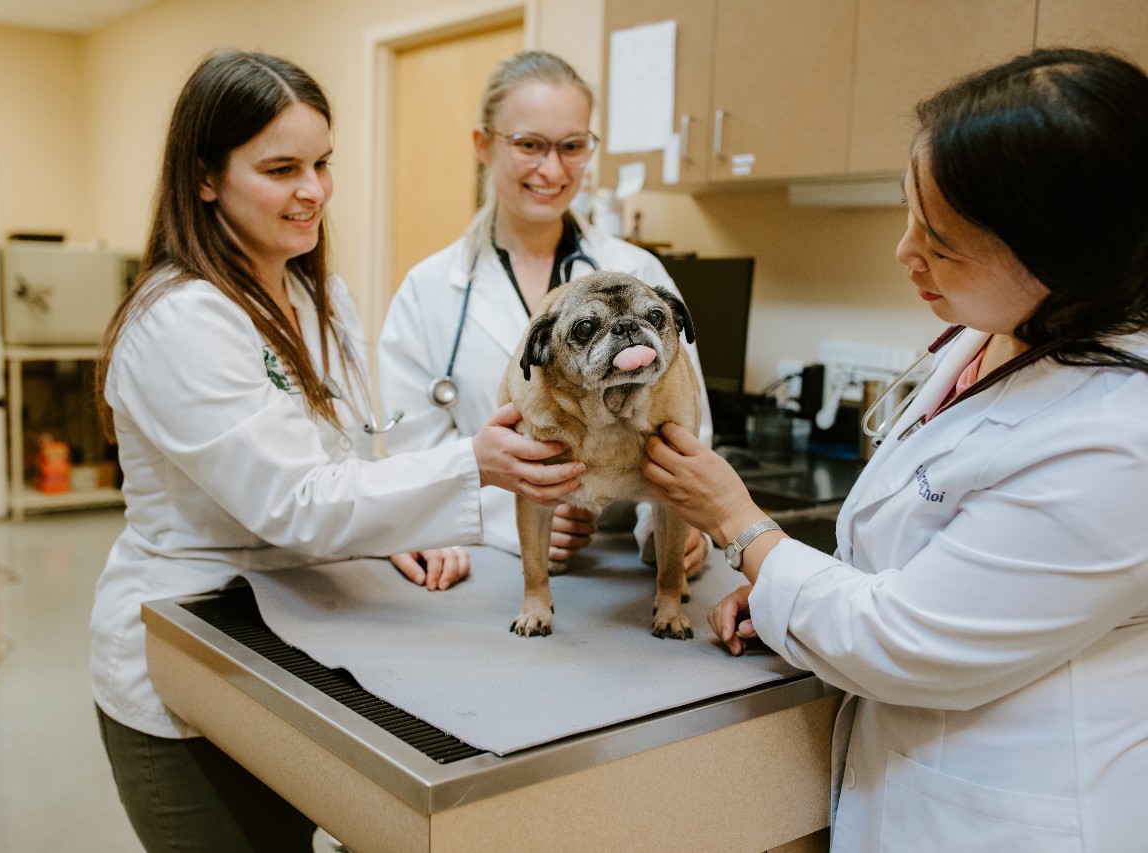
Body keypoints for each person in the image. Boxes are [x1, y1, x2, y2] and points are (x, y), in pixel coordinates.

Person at [645, 46, 1148, 850]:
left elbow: (902, 639)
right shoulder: (988, 339)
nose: (905, 252)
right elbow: (923, 569)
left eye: (942, 241)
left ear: (1063, 256)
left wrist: (743, 528)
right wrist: (789, 596)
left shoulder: (1123, 438)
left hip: (1021, 813)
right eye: (910, 213)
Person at [89, 49, 584, 853]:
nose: (313, 190)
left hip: (297, 637)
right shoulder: (180, 320)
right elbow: (295, 501)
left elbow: (349, 462)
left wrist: (403, 525)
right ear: (205, 177)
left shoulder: (321, 298)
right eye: (281, 168)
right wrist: (474, 466)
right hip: (191, 649)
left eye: (322, 163)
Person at [379, 50, 713, 572]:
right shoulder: (428, 289)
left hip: (619, 563)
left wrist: (669, 526)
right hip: (488, 559)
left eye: (572, 146)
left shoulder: (638, 272)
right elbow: (410, 449)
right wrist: (504, 510)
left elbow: (687, 421)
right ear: (483, 145)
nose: (553, 169)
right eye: (529, 145)